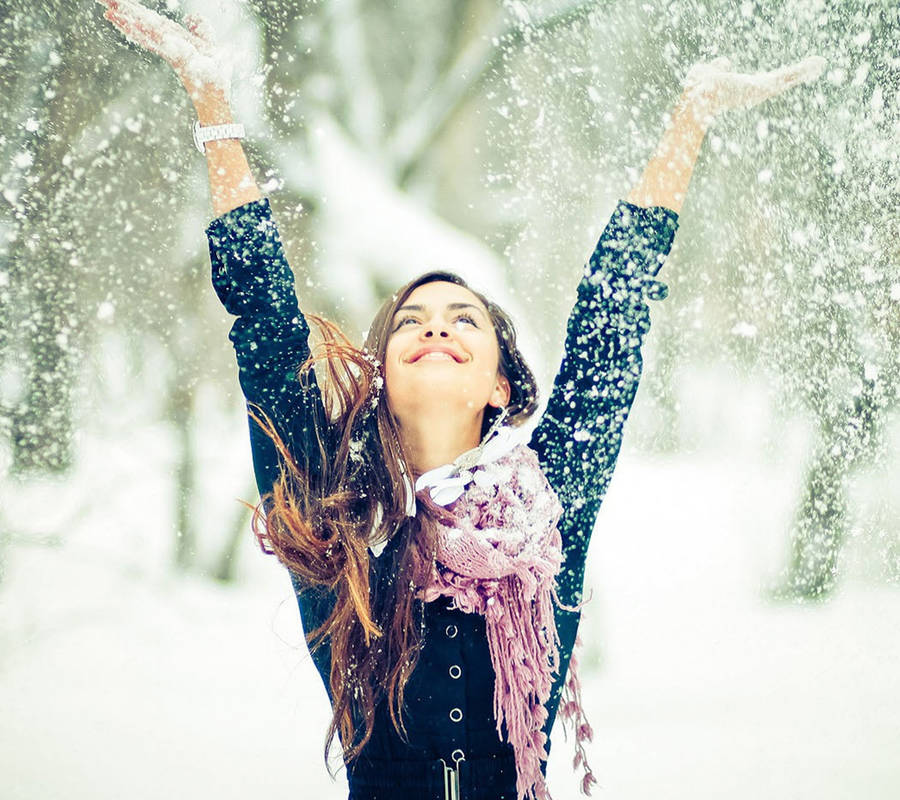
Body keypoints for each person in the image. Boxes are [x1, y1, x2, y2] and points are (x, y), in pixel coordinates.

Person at [96, 3, 825, 799]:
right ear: (379, 376)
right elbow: (266, 328)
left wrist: (691, 117)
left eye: (462, 319)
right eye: (410, 320)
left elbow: (612, 323)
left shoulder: (548, 511)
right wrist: (211, 103)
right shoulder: (336, 515)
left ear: (500, 383)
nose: (435, 327)